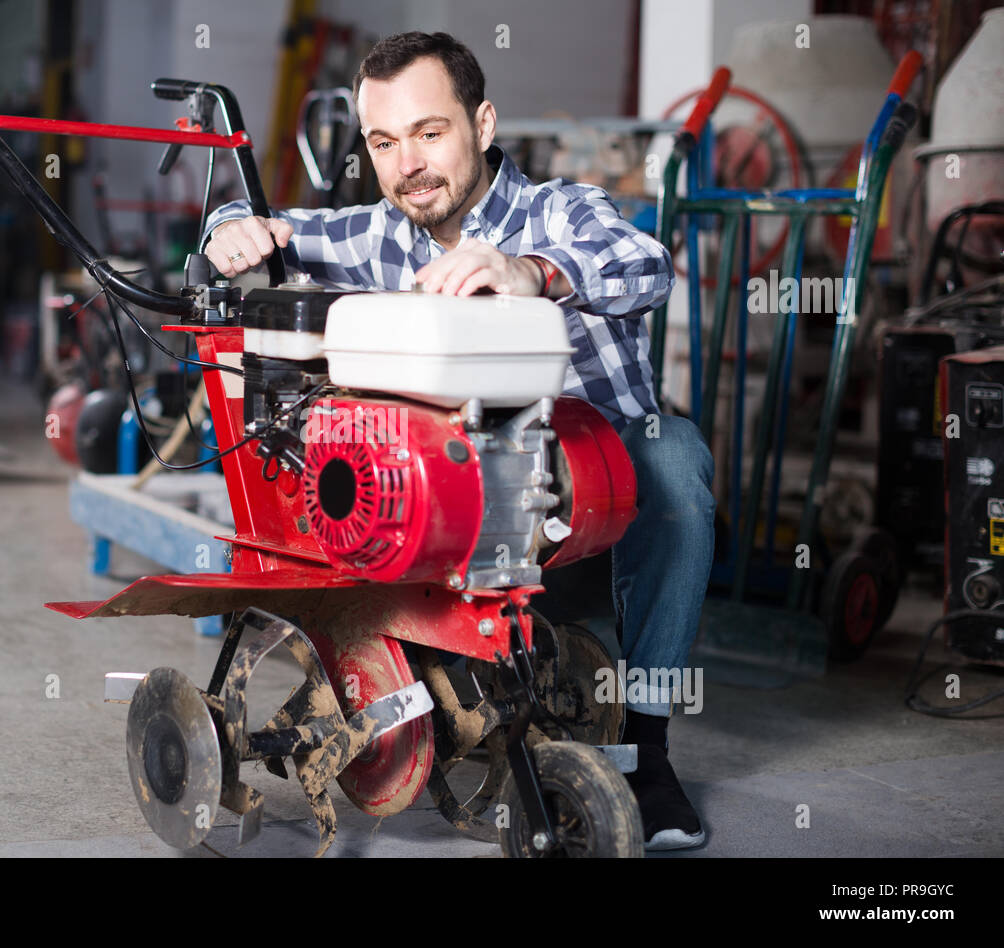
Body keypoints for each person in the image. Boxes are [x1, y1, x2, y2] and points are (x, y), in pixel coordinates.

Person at [202, 31, 714, 851]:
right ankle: (407, 685)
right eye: (383, 141)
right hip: (461, 507)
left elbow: (644, 263)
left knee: (677, 460)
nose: (408, 163)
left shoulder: (560, 209)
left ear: (482, 123)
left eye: (430, 132)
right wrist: (232, 227)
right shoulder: (375, 235)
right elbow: (266, 225)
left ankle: (649, 754)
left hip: (590, 505)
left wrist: (532, 273)